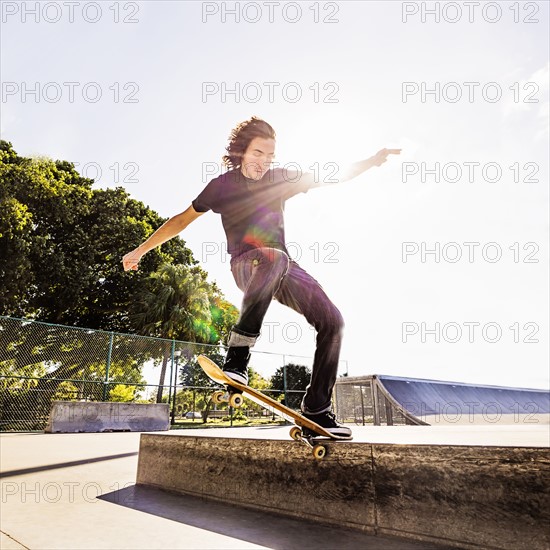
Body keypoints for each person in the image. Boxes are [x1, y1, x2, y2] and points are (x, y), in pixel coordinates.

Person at [122, 117, 400, 437]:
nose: (263, 163)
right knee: (272, 257)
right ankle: (237, 361)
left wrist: (372, 161)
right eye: (257, 154)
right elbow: (182, 220)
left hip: (282, 268)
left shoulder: (281, 179)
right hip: (246, 264)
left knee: (333, 321)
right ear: (241, 152)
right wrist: (141, 250)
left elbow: (331, 176)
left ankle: (317, 410)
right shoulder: (221, 187)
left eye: (269, 156)